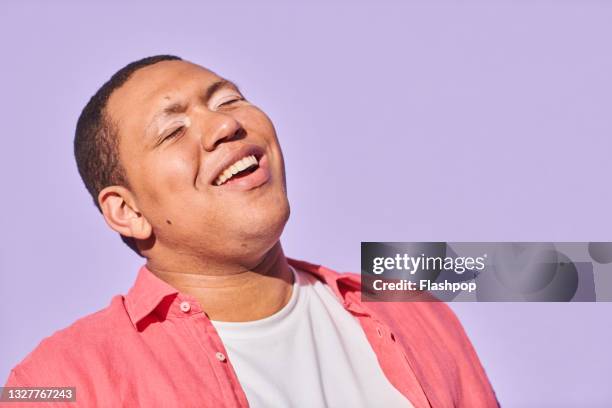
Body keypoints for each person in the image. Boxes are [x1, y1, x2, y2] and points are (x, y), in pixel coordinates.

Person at [2, 55, 498, 407]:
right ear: (127, 211)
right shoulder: (58, 382)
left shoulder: (411, 308)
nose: (224, 127)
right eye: (173, 130)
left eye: (229, 100)